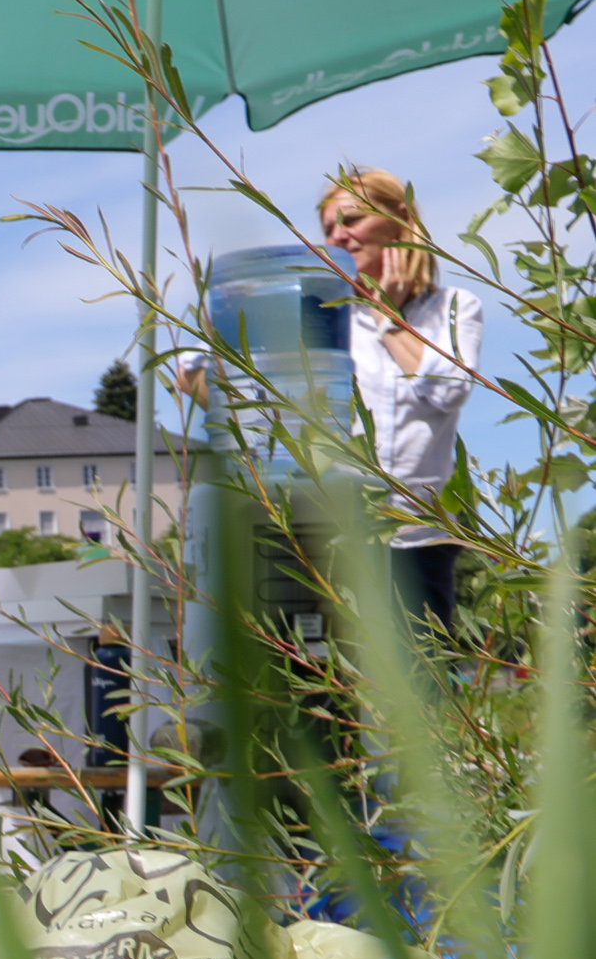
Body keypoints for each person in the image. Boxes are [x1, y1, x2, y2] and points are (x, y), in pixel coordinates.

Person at [182, 168, 484, 635]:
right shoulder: (319, 311)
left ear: (399, 220)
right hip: (330, 529)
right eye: (327, 229)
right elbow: (190, 371)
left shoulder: (452, 307)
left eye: (352, 220)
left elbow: (446, 388)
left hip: (419, 540)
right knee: (329, 681)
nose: (338, 236)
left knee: (421, 687)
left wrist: (385, 316)